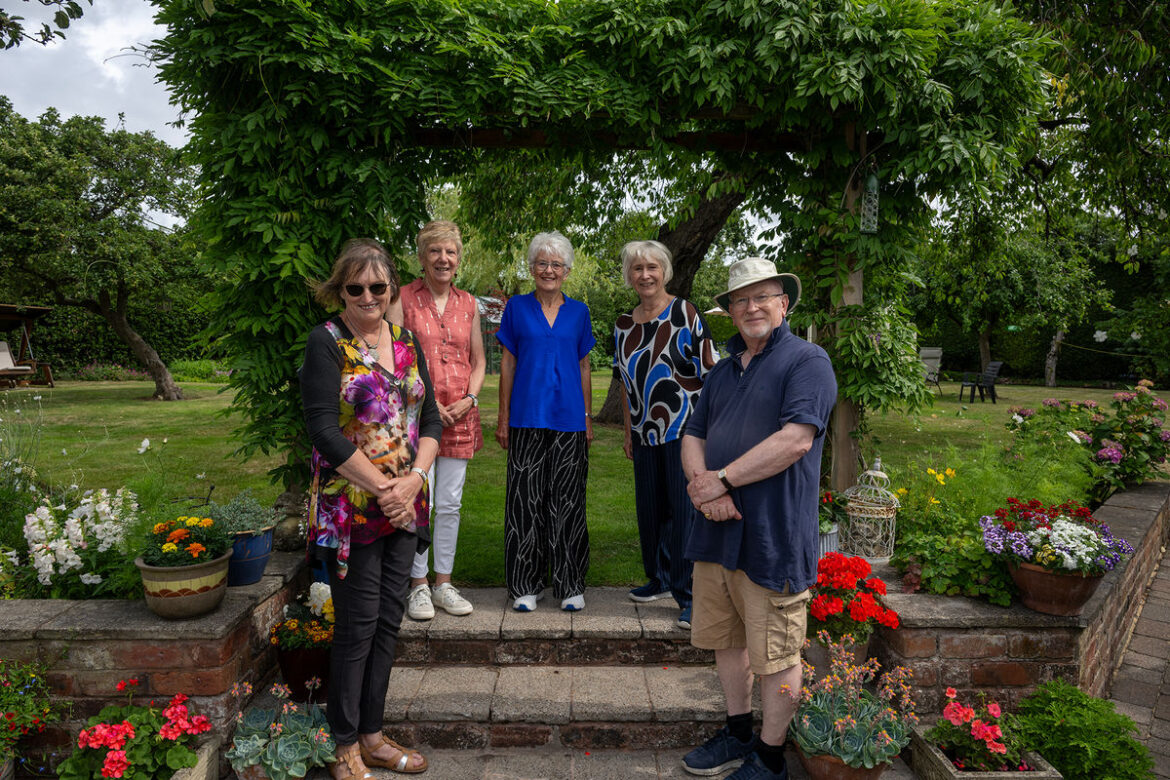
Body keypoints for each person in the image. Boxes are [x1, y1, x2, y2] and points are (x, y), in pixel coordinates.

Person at [679, 257, 837, 780]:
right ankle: (738, 732)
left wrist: (722, 480)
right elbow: (692, 435)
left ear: (783, 304)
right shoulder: (723, 370)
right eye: (739, 301)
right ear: (730, 312)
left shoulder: (807, 361)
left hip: (773, 537)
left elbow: (796, 440)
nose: (750, 308)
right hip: (717, 534)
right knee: (726, 640)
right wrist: (706, 493)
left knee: (777, 652)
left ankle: (770, 760)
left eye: (761, 297)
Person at [301, 238, 441, 778]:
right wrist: (388, 488)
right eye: (354, 287)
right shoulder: (328, 342)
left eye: (378, 286)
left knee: (388, 622)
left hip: (404, 506)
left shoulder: (406, 341)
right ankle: (343, 747)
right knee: (356, 627)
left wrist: (414, 481)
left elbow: (428, 422)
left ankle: (374, 736)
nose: (367, 296)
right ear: (339, 290)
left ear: (390, 289)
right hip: (354, 508)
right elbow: (324, 432)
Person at [612, 240, 715, 630]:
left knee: (684, 512)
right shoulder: (623, 325)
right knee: (650, 511)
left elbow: (709, 373)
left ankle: (689, 596)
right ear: (629, 275)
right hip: (643, 432)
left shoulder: (684, 312)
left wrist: (706, 432)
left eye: (652, 268)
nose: (645, 275)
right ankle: (657, 578)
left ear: (665, 272)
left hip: (683, 430)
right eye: (637, 269)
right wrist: (628, 431)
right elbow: (625, 383)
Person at [388, 220, 485, 621]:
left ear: (458, 260)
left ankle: (443, 582)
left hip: (461, 418)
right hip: (417, 421)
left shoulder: (468, 303)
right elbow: (393, 357)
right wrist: (428, 403)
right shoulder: (404, 299)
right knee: (417, 501)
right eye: (435, 251)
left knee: (449, 503)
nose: (443, 259)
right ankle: (418, 587)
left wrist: (471, 398)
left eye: (451, 252)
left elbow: (478, 361)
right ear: (422, 258)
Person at [495, 230, 595, 612]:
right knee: (525, 501)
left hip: (570, 419)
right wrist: (502, 416)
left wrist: (587, 418)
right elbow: (507, 363)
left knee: (568, 502)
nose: (548, 270)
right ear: (532, 267)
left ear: (566, 271)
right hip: (525, 417)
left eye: (556, 264)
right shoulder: (517, 308)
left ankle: (569, 583)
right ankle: (525, 584)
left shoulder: (579, 312)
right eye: (542, 263)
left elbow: (584, 366)